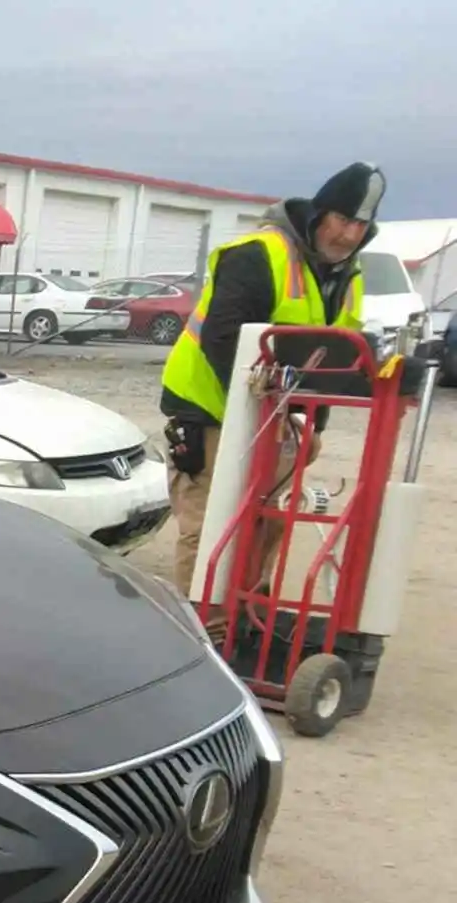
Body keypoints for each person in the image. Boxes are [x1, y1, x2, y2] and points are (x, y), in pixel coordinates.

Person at [159, 163, 385, 604]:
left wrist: (313, 425)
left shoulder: (346, 276)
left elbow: (335, 353)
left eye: (360, 224)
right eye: (342, 220)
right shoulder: (257, 254)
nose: (349, 235)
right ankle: (202, 632)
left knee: (266, 521)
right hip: (208, 409)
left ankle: (245, 617)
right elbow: (223, 340)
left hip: (270, 416)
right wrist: (265, 418)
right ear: (320, 214)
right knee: (211, 527)